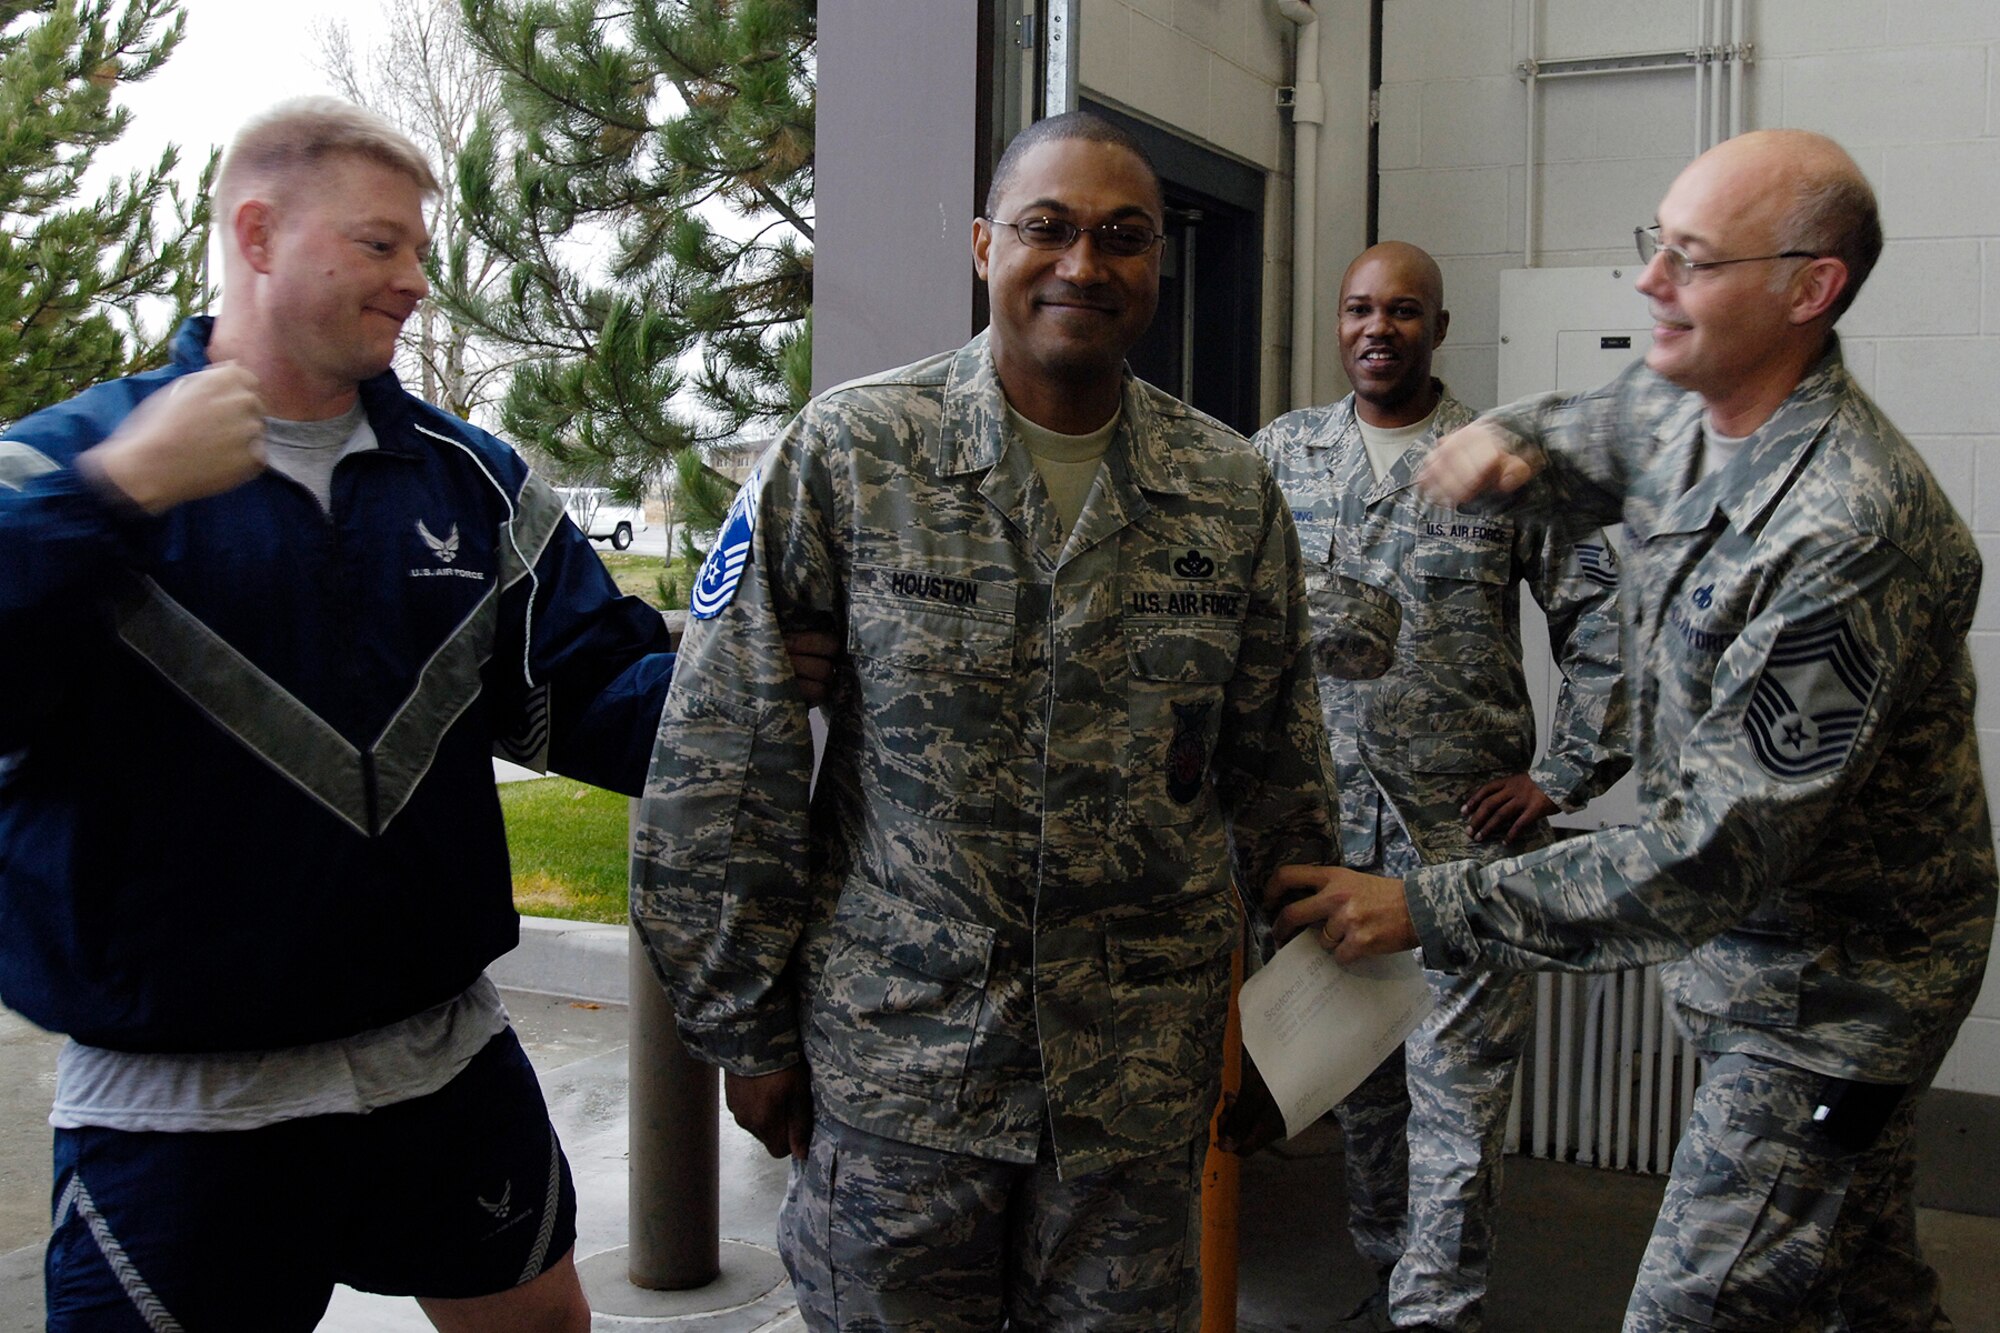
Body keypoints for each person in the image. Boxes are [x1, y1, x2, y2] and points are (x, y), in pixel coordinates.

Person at [0, 96, 767, 1332]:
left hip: (442, 1063)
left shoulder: (469, 479)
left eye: (419, 246)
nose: (416, 279)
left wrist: (773, 672)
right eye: (379, 245)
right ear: (256, 233)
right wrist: (118, 493)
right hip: (182, 1109)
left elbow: (590, 697)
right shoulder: (70, 461)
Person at [1274, 130, 1997, 1330]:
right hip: (1755, 965)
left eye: (1693, 259)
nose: (1649, 283)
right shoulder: (1689, 403)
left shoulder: (1845, 534)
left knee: (1692, 1306)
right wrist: (1502, 443)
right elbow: (1597, 427)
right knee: (1863, 1284)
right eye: (1651, 245)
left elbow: (1715, 848)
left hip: (1832, 996)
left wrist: (1434, 904)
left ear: (1807, 288)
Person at [633, 110, 1336, 1332]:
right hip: (900, 1079)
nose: (1082, 264)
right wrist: (740, 1024)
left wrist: (1290, 1038)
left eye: (1121, 236)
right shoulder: (852, 455)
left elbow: (1281, 775)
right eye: (1045, 229)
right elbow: (720, 756)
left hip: (1131, 1093)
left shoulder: (1226, 489)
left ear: (1156, 264)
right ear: (981, 246)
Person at [1245, 241, 1628, 1332]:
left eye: (1403, 311)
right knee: (1360, 1093)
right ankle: (1386, 1275)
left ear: (1437, 328)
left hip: (1458, 852)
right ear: (1336, 325)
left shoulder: (1499, 464)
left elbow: (1603, 625)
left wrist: (1556, 774)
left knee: (1455, 1107)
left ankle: (1436, 1312)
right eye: (1359, 310)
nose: (1378, 330)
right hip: (1327, 845)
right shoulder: (1280, 457)